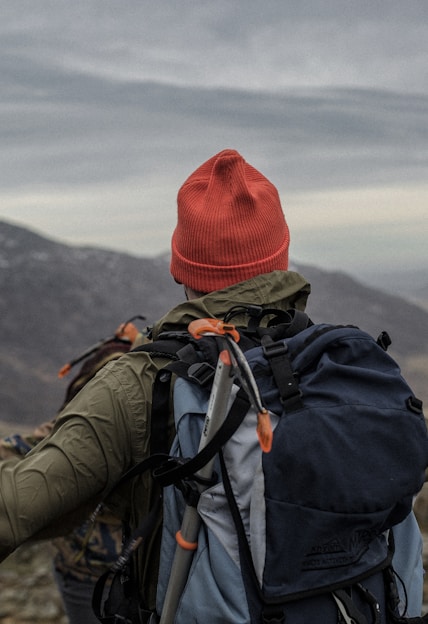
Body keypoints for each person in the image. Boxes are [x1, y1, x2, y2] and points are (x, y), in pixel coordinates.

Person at [0, 149, 424, 620]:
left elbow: (15, 509)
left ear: (182, 270)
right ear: (281, 257)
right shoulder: (339, 364)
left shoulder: (138, 381)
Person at [0, 319, 145, 624]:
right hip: (96, 566)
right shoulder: (140, 389)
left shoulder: (111, 393)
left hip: (94, 562)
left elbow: (44, 443)